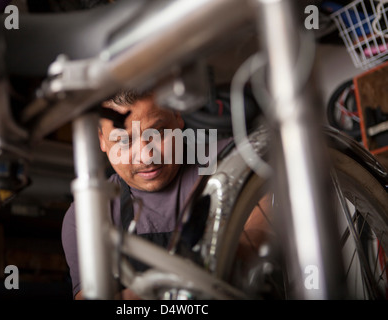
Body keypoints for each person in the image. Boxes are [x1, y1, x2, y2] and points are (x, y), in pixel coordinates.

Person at [61, 89, 268, 300]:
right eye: (124, 142)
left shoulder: (235, 161)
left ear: (178, 116)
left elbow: (257, 236)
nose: (146, 155)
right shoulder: (87, 215)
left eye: (157, 132)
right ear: (102, 140)